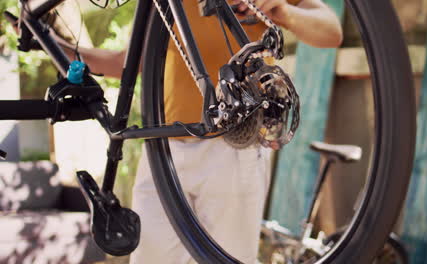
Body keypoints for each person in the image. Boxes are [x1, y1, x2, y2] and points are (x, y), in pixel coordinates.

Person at [24, 0, 342, 262]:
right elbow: (128, 62)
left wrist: (281, 10)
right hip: (164, 149)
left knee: (229, 257)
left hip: (234, 148)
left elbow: (331, 30)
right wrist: (54, 46)